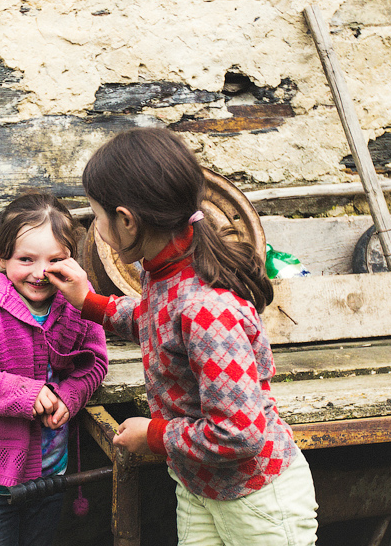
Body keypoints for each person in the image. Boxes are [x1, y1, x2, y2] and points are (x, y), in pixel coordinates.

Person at [45, 127, 318, 546]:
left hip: (257, 501)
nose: (95, 230)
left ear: (127, 221)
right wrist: (90, 302)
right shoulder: (167, 271)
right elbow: (159, 323)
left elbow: (239, 433)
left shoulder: (207, 308)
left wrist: (152, 436)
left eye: (97, 217)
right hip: (199, 485)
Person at [0, 190, 109, 546]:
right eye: (26, 259)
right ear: (3, 257)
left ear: (71, 258)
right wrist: (25, 394)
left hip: (51, 470)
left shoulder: (77, 300)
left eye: (55, 259)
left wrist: (70, 396)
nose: (40, 272)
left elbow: (94, 362)